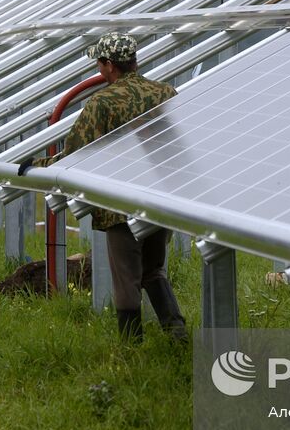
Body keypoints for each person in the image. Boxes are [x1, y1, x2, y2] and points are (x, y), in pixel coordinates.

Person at [20, 33, 186, 341]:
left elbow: (76, 154)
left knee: (126, 277)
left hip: (120, 200)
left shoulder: (102, 103)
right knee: (154, 269)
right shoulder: (165, 92)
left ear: (109, 65)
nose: (98, 68)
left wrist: (36, 167)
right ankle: (177, 333)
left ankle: (131, 347)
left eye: (99, 62)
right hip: (160, 196)